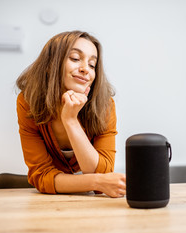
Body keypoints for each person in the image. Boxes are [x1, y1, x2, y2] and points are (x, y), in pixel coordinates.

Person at [16, 30, 126, 197]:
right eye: (75, 59)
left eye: (92, 65)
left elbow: (103, 171)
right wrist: (95, 182)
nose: (85, 69)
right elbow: (42, 176)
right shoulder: (28, 102)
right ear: (50, 64)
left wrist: (71, 121)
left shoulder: (105, 105)